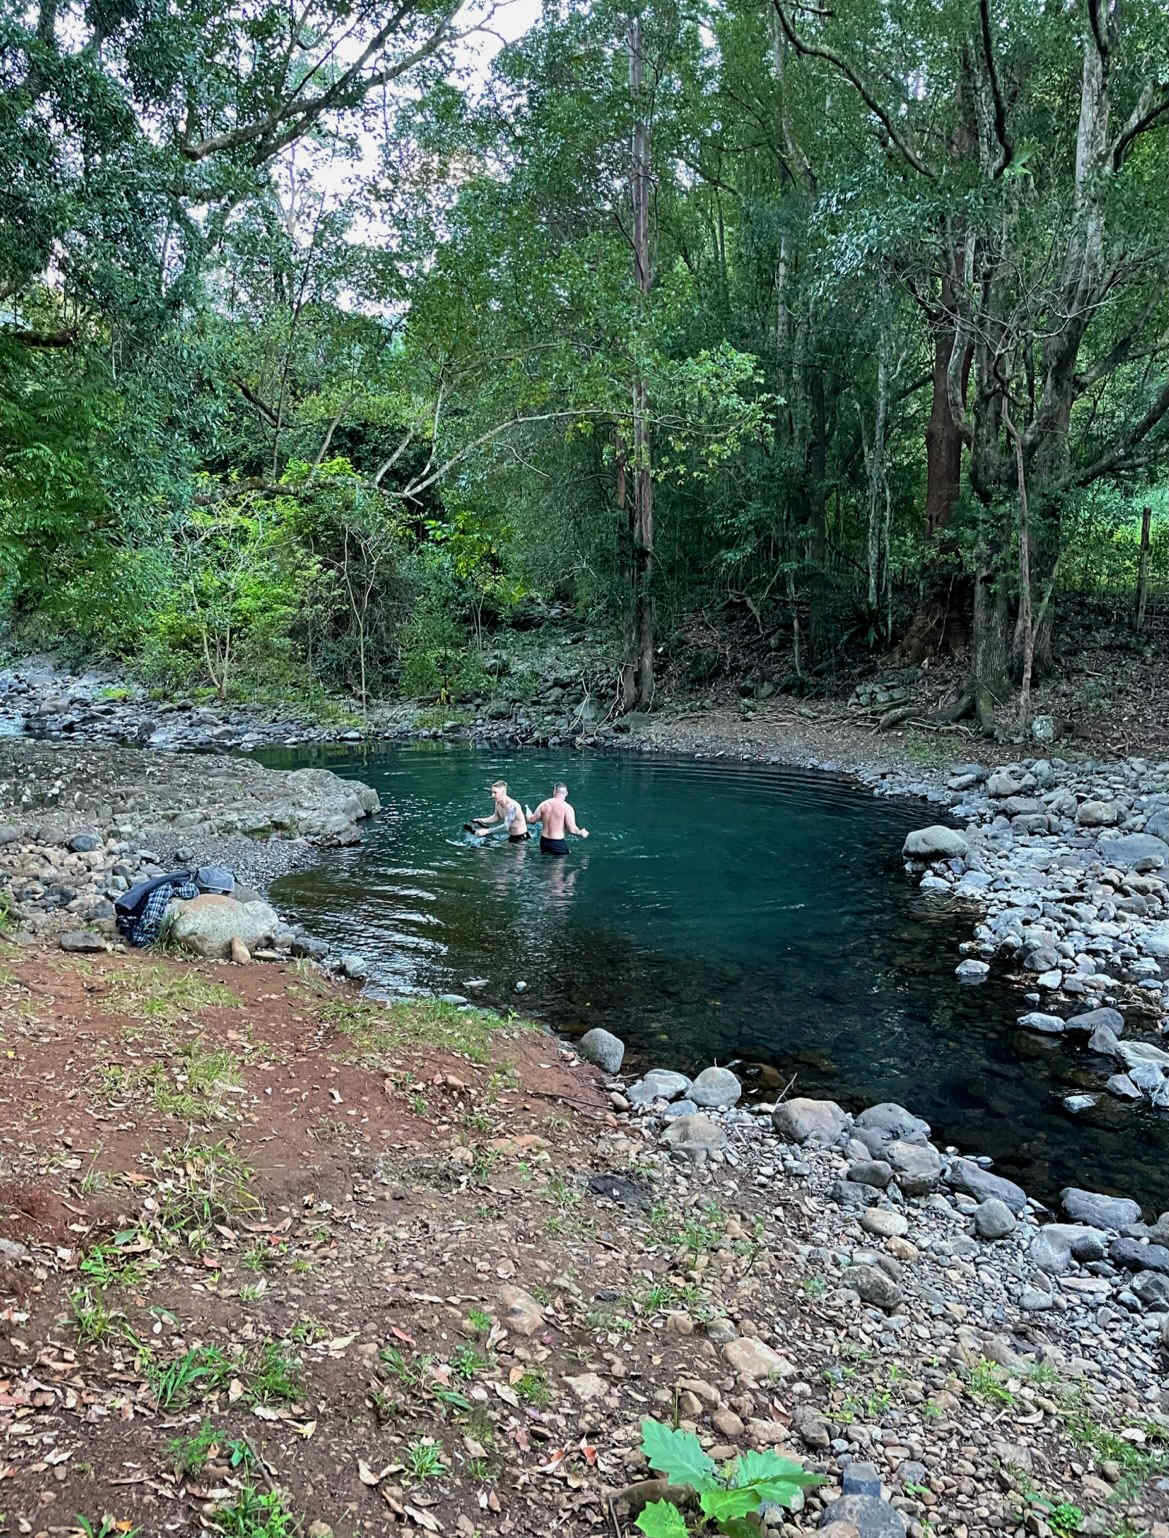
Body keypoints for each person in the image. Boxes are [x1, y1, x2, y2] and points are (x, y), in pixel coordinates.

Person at [527, 782, 589, 855]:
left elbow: (531, 820)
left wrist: (528, 811)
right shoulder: (567, 808)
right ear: (566, 793)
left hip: (544, 842)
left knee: (544, 864)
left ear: (554, 792)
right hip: (557, 843)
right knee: (558, 865)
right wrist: (581, 832)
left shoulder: (544, 804)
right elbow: (572, 829)